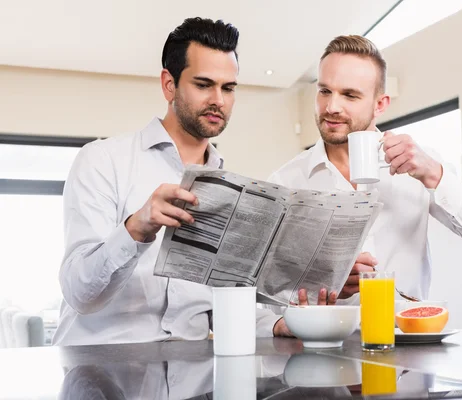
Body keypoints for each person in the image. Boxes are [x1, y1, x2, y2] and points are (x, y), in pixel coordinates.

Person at [53, 17, 295, 345]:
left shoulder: (234, 188)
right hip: (103, 371)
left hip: (193, 376)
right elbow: (79, 293)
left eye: (228, 88)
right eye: (203, 84)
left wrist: (278, 324)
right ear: (169, 84)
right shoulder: (102, 160)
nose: (219, 100)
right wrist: (135, 229)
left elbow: (227, 303)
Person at [268, 35, 462, 303]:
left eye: (349, 95)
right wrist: (323, 283)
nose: (331, 107)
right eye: (325, 91)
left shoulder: (420, 166)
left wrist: (433, 174)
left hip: (407, 337)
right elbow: (269, 288)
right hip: (322, 341)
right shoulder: (285, 182)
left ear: (380, 104)